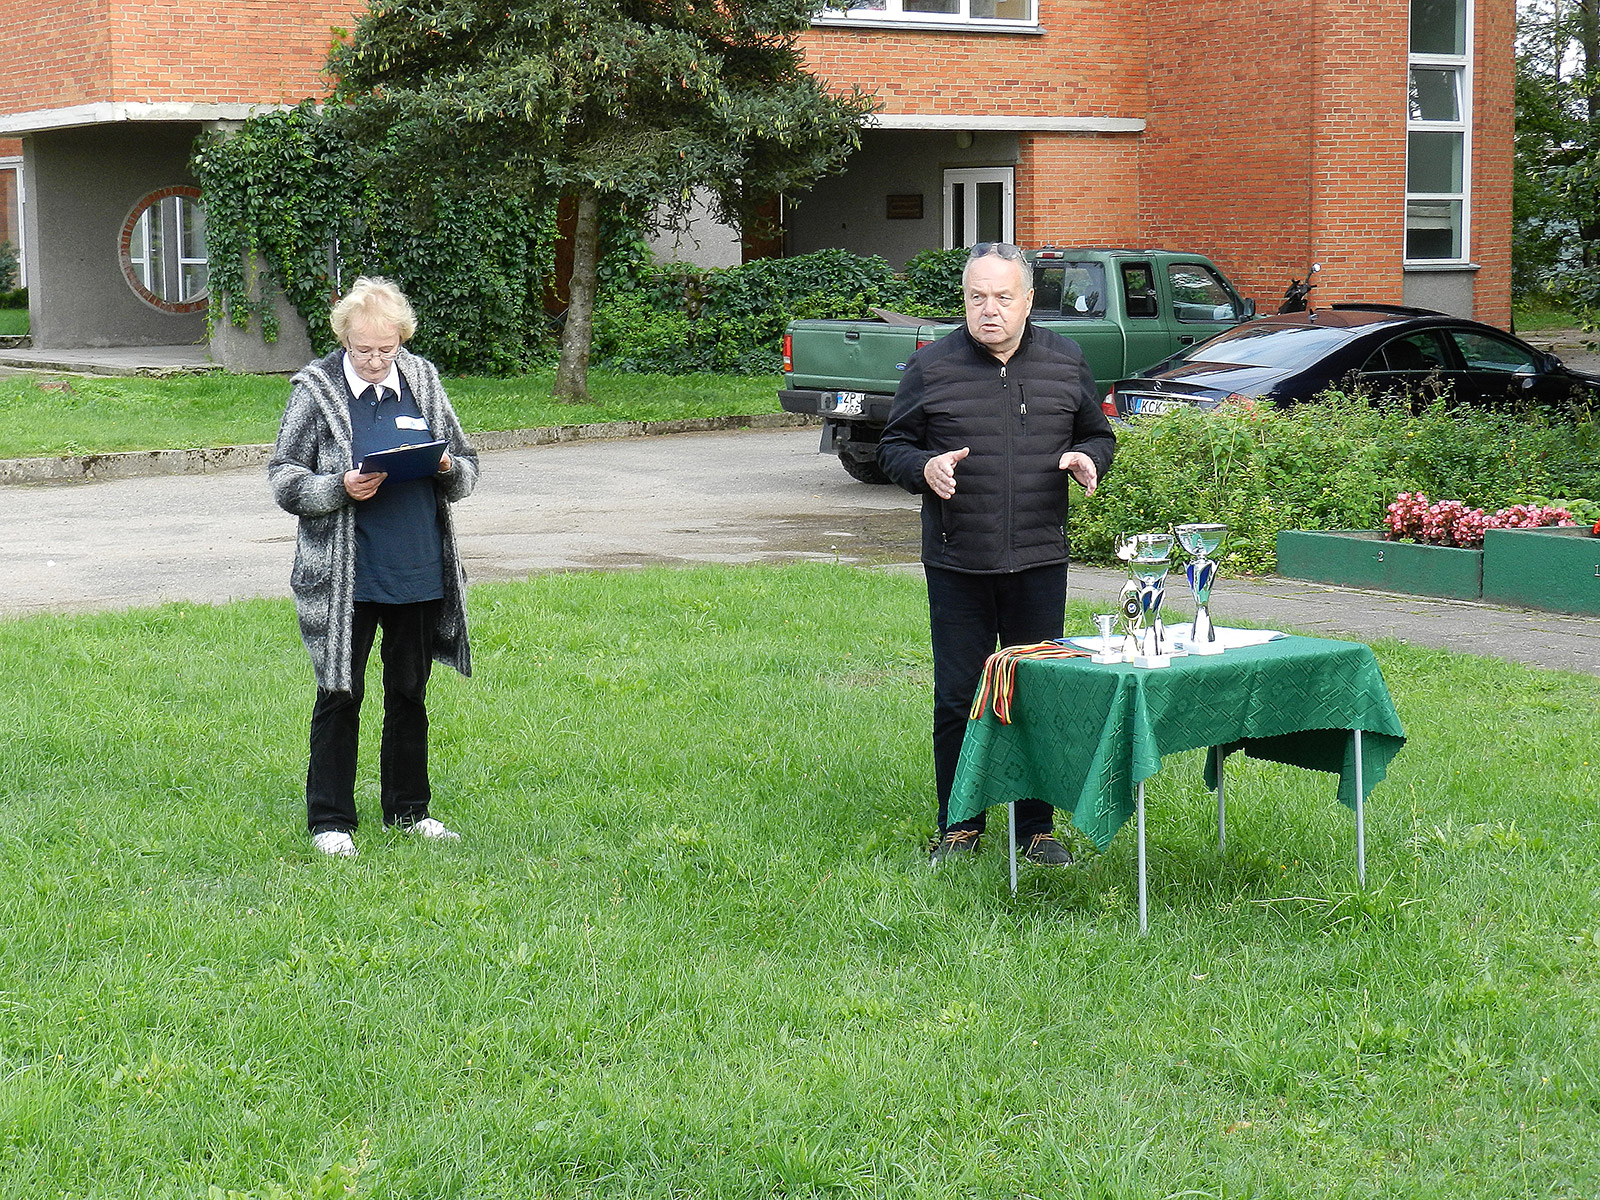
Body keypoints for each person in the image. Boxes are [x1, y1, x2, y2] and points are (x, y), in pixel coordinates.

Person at [878, 242, 1117, 866]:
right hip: (958, 560)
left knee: (1036, 693)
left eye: (1003, 297)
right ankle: (959, 826)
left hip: (1039, 559)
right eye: (977, 297)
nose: (989, 310)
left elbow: (1098, 433)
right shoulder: (930, 367)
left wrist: (1089, 457)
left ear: (1028, 300)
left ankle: (1034, 829)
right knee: (960, 696)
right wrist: (924, 468)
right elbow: (892, 447)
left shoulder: (1065, 360)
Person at [269, 276, 480, 858]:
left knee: (409, 692)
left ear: (401, 340)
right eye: (363, 350)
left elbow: (467, 466)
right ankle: (330, 820)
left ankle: (409, 812)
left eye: (386, 349)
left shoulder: (423, 381)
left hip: (418, 566)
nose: (375, 361)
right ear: (344, 339)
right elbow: (284, 478)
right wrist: (338, 487)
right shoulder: (316, 391)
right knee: (340, 692)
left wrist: (445, 467)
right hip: (347, 577)